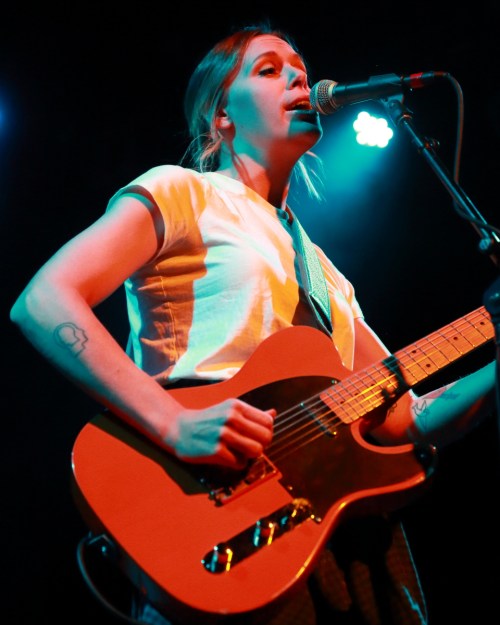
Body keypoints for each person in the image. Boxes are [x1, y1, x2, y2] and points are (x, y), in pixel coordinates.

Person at [10, 22, 496, 625]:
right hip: (212, 501)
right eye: (269, 69)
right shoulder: (184, 192)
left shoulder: (327, 275)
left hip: (333, 528)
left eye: (301, 69)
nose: (299, 78)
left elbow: (406, 417)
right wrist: (174, 423)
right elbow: (45, 300)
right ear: (221, 116)